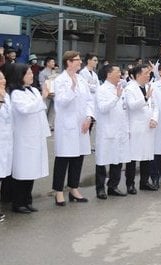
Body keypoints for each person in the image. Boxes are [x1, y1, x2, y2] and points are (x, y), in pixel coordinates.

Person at [6, 63, 50, 214]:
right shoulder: (16, 94)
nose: (32, 76)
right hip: (23, 137)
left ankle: (27, 200)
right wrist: (42, 98)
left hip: (35, 135)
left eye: (32, 73)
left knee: (31, 170)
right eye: (29, 74)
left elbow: (40, 111)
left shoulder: (32, 90)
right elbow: (25, 109)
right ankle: (18, 203)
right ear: (20, 76)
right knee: (22, 171)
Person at [52, 50, 94, 206]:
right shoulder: (60, 80)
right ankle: (58, 191)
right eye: (77, 60)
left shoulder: (82, 79)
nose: (80, 62)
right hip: (66, 126)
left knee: (78, 158)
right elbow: (61, 102)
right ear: (69, 62)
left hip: (82, 125)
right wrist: (72, 88)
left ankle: (74, 188)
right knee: (63, 158)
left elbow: (90, 101)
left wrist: (89, 117)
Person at [94, 65, 130, 198]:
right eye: (117, 72)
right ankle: (100, 188)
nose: (120, 74)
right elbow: (103, 108)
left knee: (118, 159)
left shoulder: (121, 88)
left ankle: (113, 186)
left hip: (120, 129)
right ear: (109, 74)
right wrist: (115, 97)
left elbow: (125, 109)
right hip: (107, 130)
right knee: (103, 160)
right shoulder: (102, 90)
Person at [0, 71, 11, 222]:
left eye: (3, 78)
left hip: (5, 140)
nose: (3, 80)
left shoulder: (7, 95)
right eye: (0, 78)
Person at [38, 56, 57, 130]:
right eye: (52, 62)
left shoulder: (54, 72)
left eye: (53, 62)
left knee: (53, 110)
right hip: (47, 93)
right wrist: (47, 91)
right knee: (45, 109)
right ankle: (42, 125)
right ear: (47, 63)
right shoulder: (43, 73)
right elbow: (42, 83)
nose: (53, 63)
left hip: (54, 93)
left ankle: (50, 124)